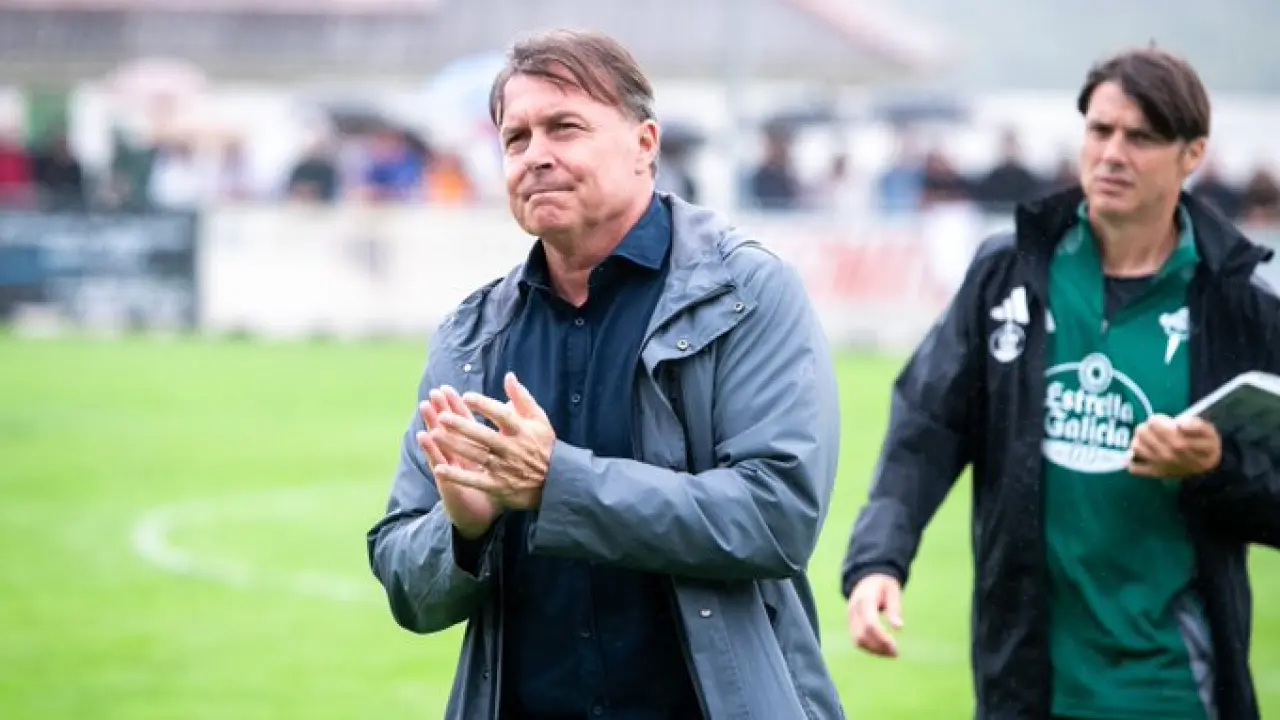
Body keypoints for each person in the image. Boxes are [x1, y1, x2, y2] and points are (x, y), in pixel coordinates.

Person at [367, 29, 844, 719]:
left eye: (565, 127)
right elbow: (407, 587)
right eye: (516, 138)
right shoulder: (472, 336)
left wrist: (556, 483)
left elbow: (777, 516)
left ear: (645, 144)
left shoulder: (745, 292)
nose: (537, 155)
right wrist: (463, 533)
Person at [841, 47, 1280, 720]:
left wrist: (1216, 465)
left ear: (1192, 154)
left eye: (1141, 138)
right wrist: (878, 560)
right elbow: (925, 427)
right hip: (1028, 687)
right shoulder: (1008, 273)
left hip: (1173, 691)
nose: (1112, 154)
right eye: (1100, 130)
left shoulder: (1239, 303)